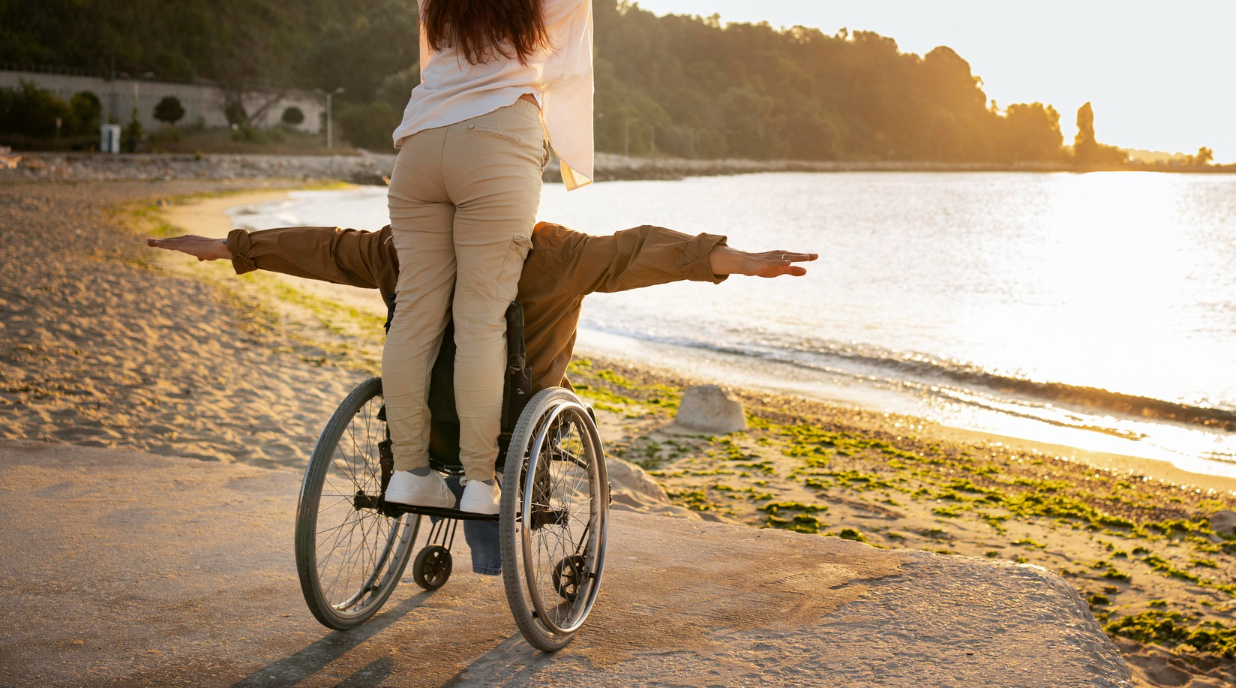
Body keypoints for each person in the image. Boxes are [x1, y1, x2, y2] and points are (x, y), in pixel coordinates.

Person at [207, 0, 787, 515]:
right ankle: (480, 483)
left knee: (415, 316)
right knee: (481, 320)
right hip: (499, 145)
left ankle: (410, 472)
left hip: (419, 147)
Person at [147, 224, 816, 396]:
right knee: (551, 379)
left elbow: (323, 249)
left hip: (427, 397)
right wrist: (740, 259)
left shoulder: (402, 249)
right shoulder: (552, 251)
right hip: (519, 401)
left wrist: (229, 248)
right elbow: (641, 250)